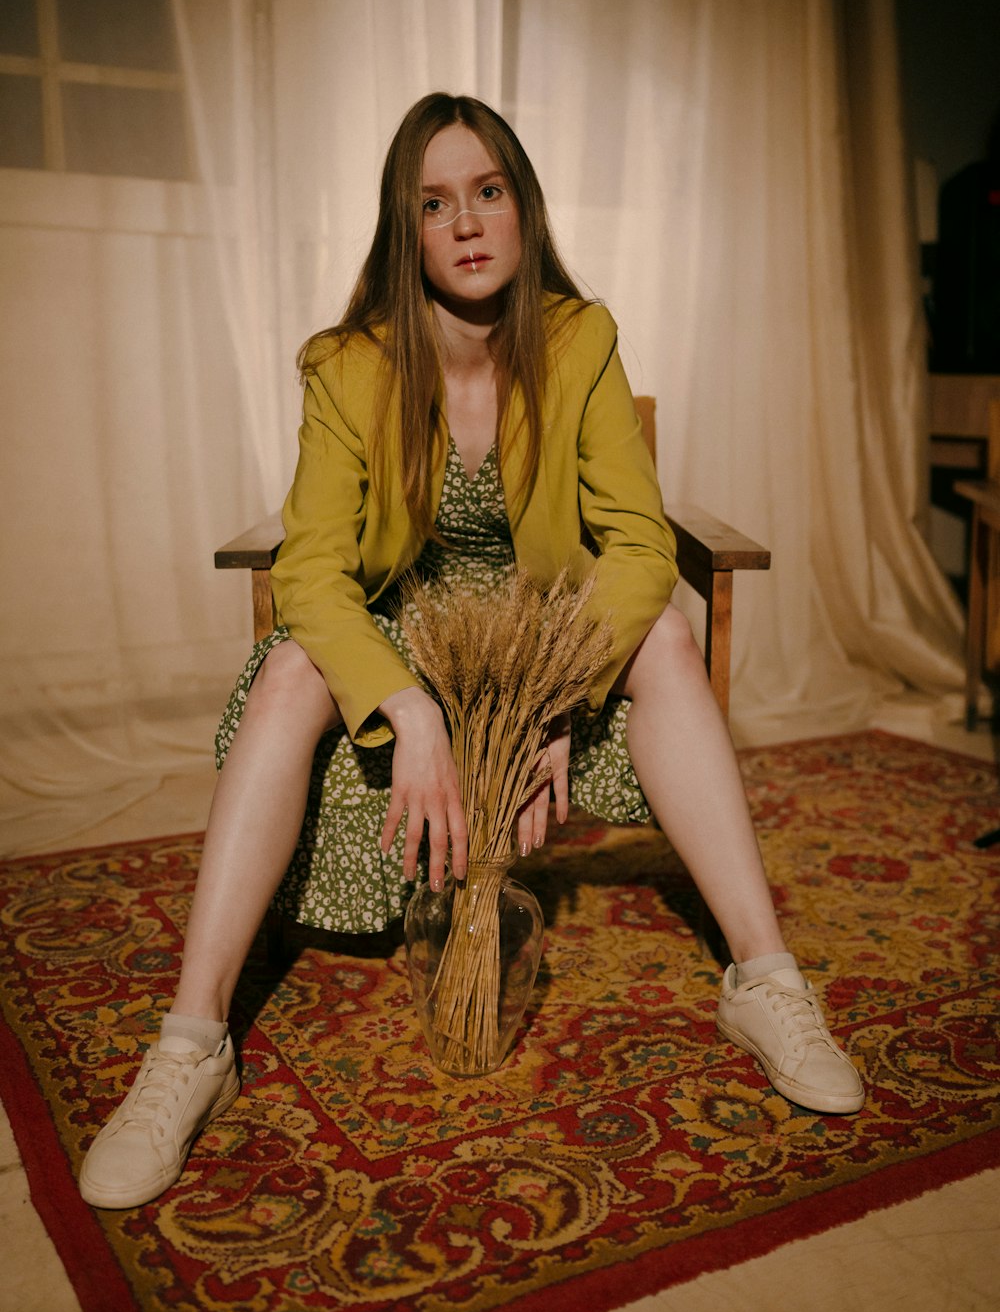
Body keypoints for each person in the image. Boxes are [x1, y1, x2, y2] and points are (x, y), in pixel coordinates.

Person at [78, 93, 863, 1210]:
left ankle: (764, 979)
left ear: (522, 207)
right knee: (300, 659)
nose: (466, 223)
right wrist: (416, 709)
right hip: (410, 644)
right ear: (407, 230)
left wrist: (550, 697)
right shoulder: (347, 367)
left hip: (544, 639)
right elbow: (310, 575)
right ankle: (191, 1047)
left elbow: (637, 543)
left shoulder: (579, 338)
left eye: (488, 191)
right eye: (435, 203)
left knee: (669, 634)